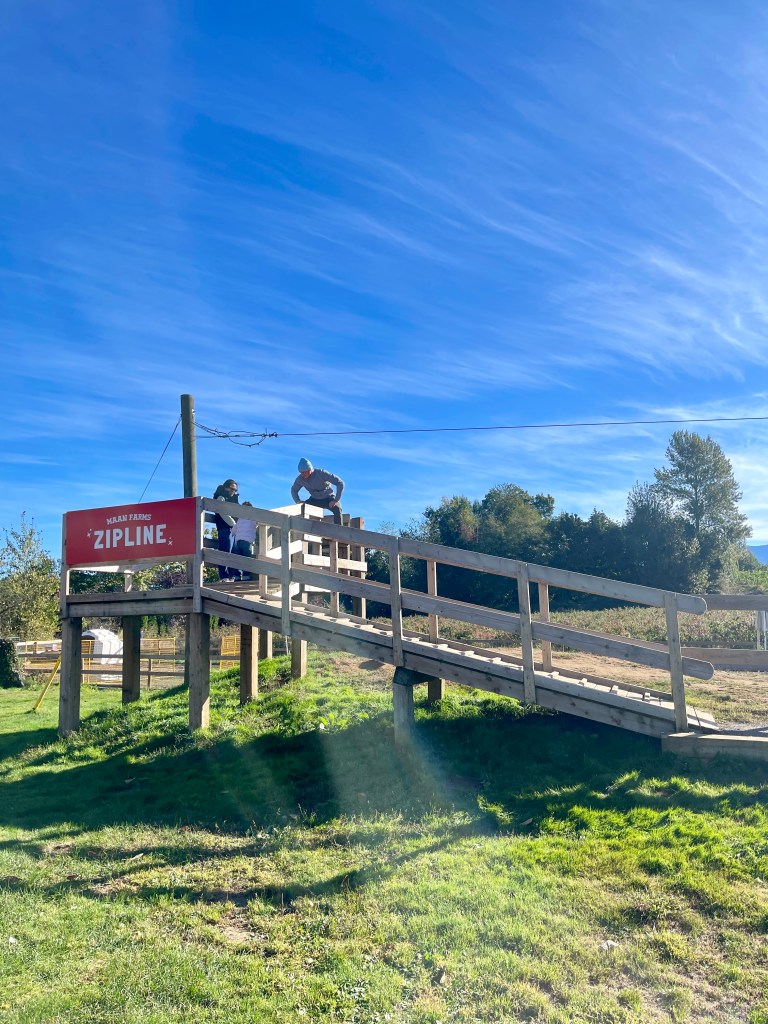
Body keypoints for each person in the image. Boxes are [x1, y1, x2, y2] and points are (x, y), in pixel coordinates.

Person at [291, 458, 344, 525]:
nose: (302, 474)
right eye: (300, 472)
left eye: (303, 472)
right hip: (314, 499)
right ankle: (302, 529)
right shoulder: (300, 479)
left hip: (328, 498)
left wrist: (336, 500)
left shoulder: (321, 473)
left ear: (309, 469)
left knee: (337, 508)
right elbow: (294, 490)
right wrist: (298, 501)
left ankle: (339, 532)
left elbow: (340, 483)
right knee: (301, 508)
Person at [212, 478, 239, 579]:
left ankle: (232, 575)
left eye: (235, 490)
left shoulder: (233, 499)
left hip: (232, 528)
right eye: (232, 489)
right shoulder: (221, 497)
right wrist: (233, 523)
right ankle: (224, 575)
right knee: (225, 550)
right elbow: (222, 512)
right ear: (226, 487)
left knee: (233, 550)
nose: (233, 491)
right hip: (224, 527)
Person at [231, 502, 257, 580]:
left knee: (238, 559)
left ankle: (237, 576)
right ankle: (246, 575)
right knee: (247, 559)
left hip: (238, 541)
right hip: (247, 541)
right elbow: (257, 524)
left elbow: (233, 530)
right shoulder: (252, 518)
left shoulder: (239, 519)